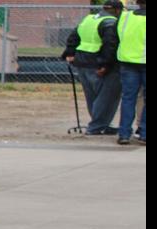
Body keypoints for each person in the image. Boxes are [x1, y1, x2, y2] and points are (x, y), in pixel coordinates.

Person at [62, 1, 122, 136]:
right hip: (97, 63)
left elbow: (73, 36)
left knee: (93, 96)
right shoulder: (110, 23)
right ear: (118, 10)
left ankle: (101, 124)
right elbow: (110, 46)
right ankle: (97, 126)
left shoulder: (89, 19)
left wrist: (70, 53)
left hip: (82, 62)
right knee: (107, 96)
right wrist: (105, 64)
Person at [115, 0, 146, 146]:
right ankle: (144, 134)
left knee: (128, 99)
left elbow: (117, 37)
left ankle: (124, 134)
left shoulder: (125, 17)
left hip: (127, 62)